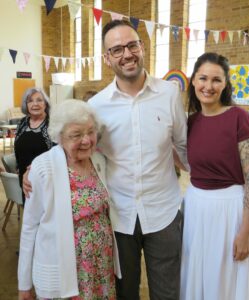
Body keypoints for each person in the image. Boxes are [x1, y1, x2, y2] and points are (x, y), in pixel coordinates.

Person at [88, 20, 187, 300]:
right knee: (125, 292)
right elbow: (79, 150)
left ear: (142, 48)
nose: (127, 54)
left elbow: (184, 146)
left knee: (168, 292)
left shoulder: (169, 94)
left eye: (132, 45)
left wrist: (222, 177)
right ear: (107, 59)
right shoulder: (97, 106)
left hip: (164, 212)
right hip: (119, 216)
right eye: (116, 49)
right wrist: (39, 170)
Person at [18, 100, 120, 300]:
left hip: (100, 269)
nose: (87, 140)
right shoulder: (43, 167)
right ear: (59, 137)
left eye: (90, 132)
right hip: (64, 270)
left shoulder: (99, 160)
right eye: (76, 135)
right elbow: (30, 226)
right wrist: (24, 284)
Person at [180, 52, 249, 300]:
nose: (208, 86)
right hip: (195, 208)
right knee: (198, 276)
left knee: (224, 281)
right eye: (203, 78)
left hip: (230, 211)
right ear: (193, 80)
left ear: (226, 84)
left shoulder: (239, 118)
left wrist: (245, 232)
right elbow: (193, 165)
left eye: (216, 80)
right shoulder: (190, 121)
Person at [14, 87, 53, 205]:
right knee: (30, 219)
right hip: (25, 181)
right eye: (30, 101)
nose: (35, 104)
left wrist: (33, 168)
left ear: (45, 104)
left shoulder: (53, 124)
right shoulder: (22, 122)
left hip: (46, 180)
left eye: (39, 100)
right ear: (26, 105)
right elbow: (18, 148)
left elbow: (57, 154)